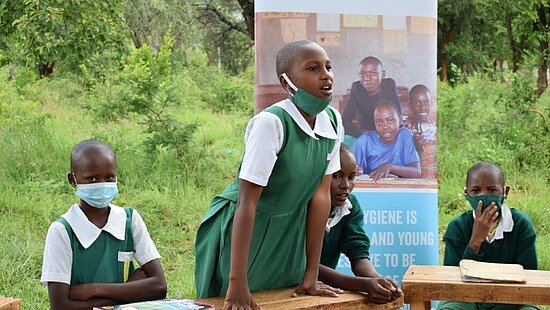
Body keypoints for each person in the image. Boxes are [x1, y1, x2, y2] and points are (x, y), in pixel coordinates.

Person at [194, 40, 344, 309]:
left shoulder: (332, 121)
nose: (326, 75)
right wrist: (237, 281)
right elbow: (247, 201)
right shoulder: (271, 123)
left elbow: (321, 196)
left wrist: (311, 274)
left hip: (289, 229)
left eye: (328, 67)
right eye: (313, 68)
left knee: (284, 298)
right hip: (246, 227)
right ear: (287, 84)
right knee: (238, 303)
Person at [40, 139, 167, 310]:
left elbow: (159, 287)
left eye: (109, 177)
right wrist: (130, 291)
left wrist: (93, 289)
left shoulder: (129, 220)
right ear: (72, 179)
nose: (102, 184)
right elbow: (61, 306)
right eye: (91, 178)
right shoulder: (63, 231)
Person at [438, 161, 538, 310]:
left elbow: (530, 277)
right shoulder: (457, 227)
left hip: (511, 299)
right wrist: (475, 241)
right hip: (465, 299)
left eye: (492, 190)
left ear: (505, 192)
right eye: (476, 191)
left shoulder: (521, 225)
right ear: (466, 194)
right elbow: (453, 282)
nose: (483, 196)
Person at [319, 144, 402, 303]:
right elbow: (302, 267)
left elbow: (358, 255)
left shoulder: (349, 206)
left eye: (351, 177)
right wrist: (363, 284)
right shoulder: (301, 207)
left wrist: (378, 281)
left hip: (324, 290)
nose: (346, 185)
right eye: (337, 176)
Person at [352, 100, 421, 182]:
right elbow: (350, 171)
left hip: (398, 190)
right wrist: (354, 171)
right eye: (379, 122)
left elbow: (417, 172)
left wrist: (389, 167)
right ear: (374, 123)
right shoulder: (364, 142)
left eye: (390, 120)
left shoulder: (404, 135)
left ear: (400, 120)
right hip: (372, 190)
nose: (385, 127)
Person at [342, 56, 401, 138]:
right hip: (365, 135)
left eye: (373, 73)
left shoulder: (389, 85)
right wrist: (364, 133)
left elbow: (397, 117)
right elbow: (344, 122)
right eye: (362, 74)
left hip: (387, 134)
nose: (367, 79)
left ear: (383, 75)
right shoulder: (357, 88)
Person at [403, 84, 437, 178]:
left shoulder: (436, 128)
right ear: (410, 105)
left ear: (432, 103)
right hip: (411, 174)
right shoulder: (404, 128)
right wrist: (413, 145)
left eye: (426, 103)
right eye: (417, 103)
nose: (422, 108)